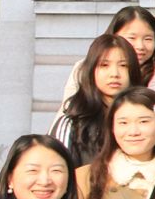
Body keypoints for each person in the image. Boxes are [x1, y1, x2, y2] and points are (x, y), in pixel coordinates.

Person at [52, 33, 143, 167]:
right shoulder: (72, 123)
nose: (114, 74)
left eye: (123, 65)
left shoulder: (147, 120)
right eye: (104, 65)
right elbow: (59, 169)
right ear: (91, 70)